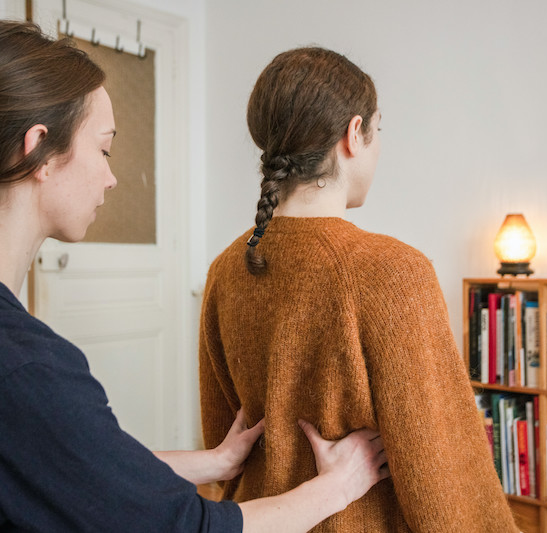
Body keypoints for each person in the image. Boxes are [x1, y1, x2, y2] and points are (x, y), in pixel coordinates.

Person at [0, 21, 391, 532]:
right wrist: (338, 485)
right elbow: (190, 527)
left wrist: (211, 463)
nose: (112, 176)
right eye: (103, 149)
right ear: (37, 151)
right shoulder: (16, 368)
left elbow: (63, 459)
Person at [199, 47, 519, 532]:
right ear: (353, 134)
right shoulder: (392, 272)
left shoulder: (227, 268)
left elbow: (224, 440)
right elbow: (442, 466)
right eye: (377, 130)